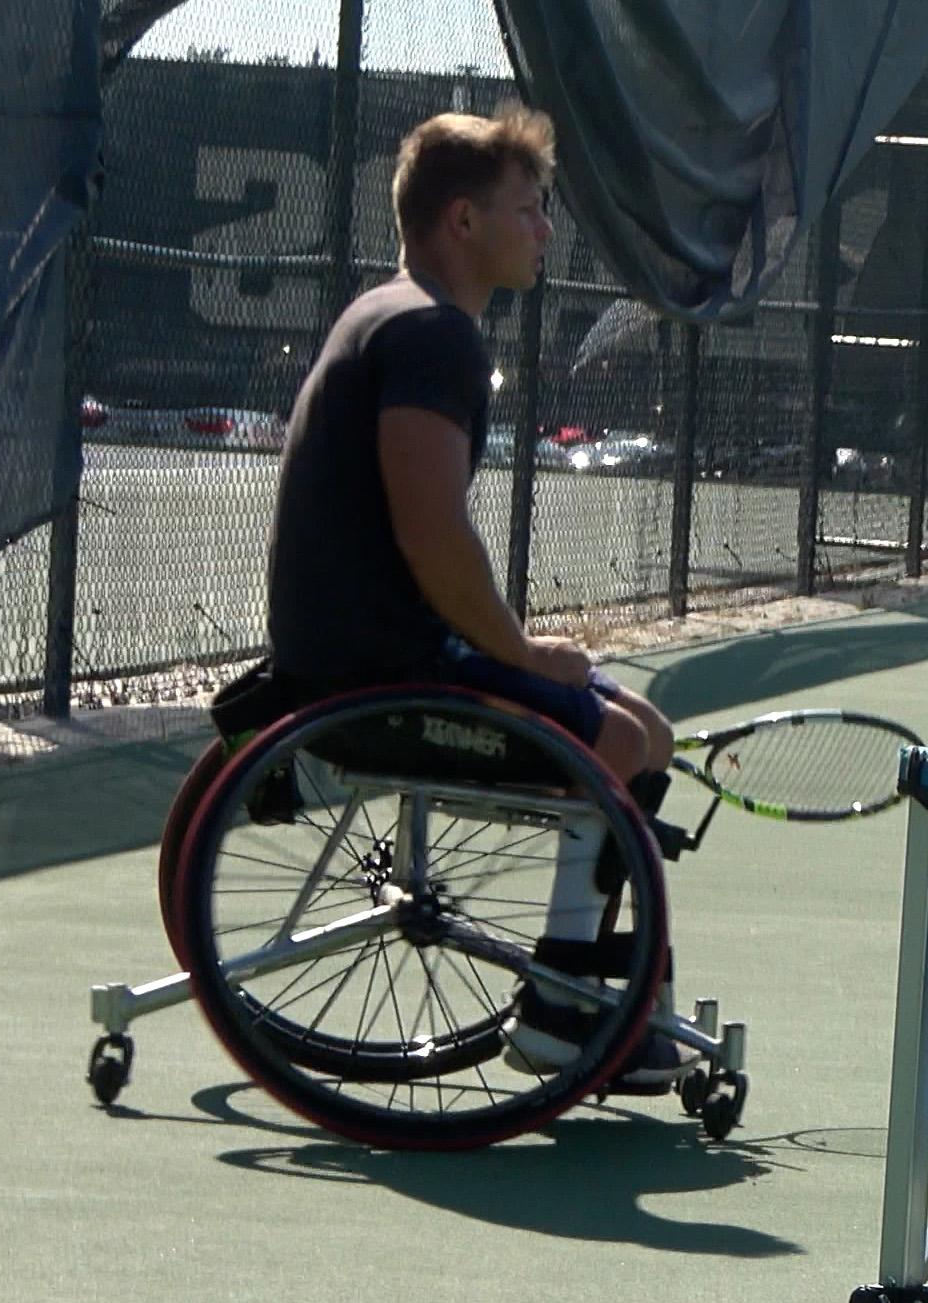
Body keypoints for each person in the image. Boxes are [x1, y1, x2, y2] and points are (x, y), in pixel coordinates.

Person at [262, 105, 678, 1074]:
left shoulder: (387, 313)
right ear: (461, 222)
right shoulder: (433, 337)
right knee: (616, 739)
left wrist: (521, 652)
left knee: (644, 729)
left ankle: (596, 987)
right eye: (529, 211)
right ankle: (564, 1007)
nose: (546, 232)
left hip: (359, 649)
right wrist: (522, 652)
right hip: (376, 672)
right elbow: (432, 533)